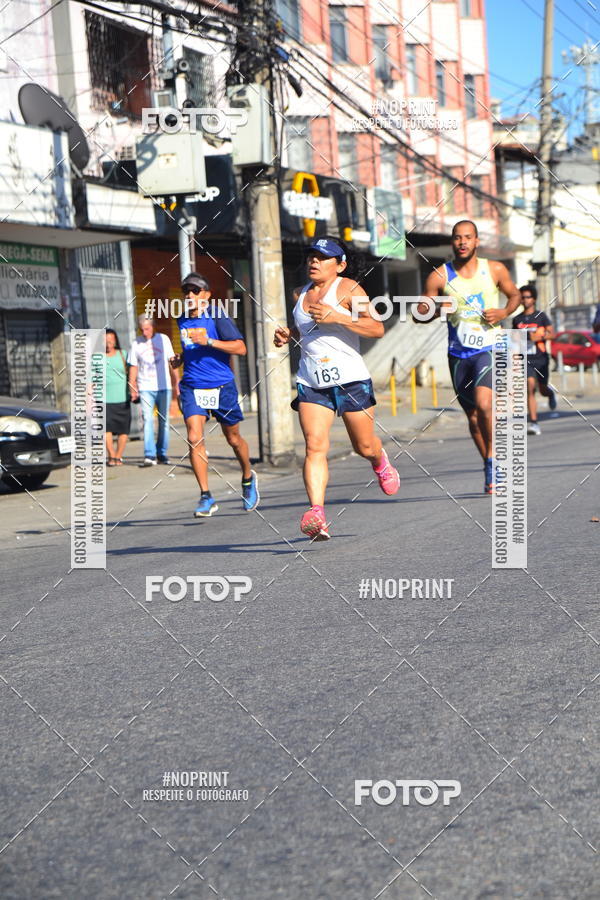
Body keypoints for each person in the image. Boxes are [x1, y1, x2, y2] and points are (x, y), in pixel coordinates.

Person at [273, 235, 400, 542]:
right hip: (312, 381)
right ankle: (317, 513)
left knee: (363, 446)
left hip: (350, 379)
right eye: (311, 256)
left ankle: (378, 459)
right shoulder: (298, 294)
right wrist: (288, 334)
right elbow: (308, 329)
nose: (314, 261)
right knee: (314, 446)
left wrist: (338, 316)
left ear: (339, 265)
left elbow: (376, 327)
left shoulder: (348, 289)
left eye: (322, 257)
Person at [418, 220, 521, 494]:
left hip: (490, 349)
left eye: (467, 237)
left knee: (485, 405)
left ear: (476, 241)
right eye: (457, 238)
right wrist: (435, 307)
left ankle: (494, 463)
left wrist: (503, 313)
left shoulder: (495, 269)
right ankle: (488, 461)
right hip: (458, 354)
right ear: (452, 242)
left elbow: (514, 296)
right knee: (474, 417)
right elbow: (421, 314)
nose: (462, 242)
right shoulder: (439, 276)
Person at [169, 271, 259, 517]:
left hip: (221, 386)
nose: (190, 295)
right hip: (192, 385)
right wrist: (180, 359)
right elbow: (189, 349)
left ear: (207, 295)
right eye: (186, 291)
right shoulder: (182, 319)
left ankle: (248, 477)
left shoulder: (218, 316)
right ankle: (206, 496)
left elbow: (240, 348)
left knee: (233, 439)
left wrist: (209, 341)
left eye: (195, 291)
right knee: (194, 436)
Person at [128, 314, 179, 465]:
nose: (145, 332)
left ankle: (161, 452)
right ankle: (149, 454)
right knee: (148, 420)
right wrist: (132, 387)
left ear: (153, 326)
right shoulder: (136, 343)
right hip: (145, 387)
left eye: (147, 329)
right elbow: (133, 367)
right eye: (142, 329)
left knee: (164, 421)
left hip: (164, 386)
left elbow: (172, 362)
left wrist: (177, 382)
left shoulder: (163, 339)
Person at [513, 284, 557, 435]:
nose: (524, 300)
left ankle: (550, 394)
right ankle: (533, 423)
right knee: (529, 387)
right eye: (522, 297)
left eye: (527, 297)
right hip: (526, 359)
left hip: (541, 358)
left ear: (534, 299)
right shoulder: (516, 320)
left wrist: (540, 336)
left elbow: (552, 334)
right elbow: (514, 340)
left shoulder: (541, 316)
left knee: (542, 389)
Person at [104, 328, 132, 466]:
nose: (109, 343)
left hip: (123, 398)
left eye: (111, 340)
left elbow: (132, 372)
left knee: (123, 429)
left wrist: (134, 388)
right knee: (106, 429)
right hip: (104, 400)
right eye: (106, 340)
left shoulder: (123, 354)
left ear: (115, 341)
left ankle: (118, 456)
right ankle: (111, 455)